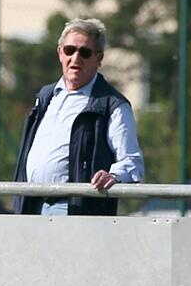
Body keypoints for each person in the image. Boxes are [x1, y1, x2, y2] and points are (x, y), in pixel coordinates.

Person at [13, 17, 144, 216]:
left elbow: (133, 163)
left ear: (99, 58)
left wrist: (113, 176)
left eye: (85, 52)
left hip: (75, 210)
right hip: (31, 206)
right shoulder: (46, 97)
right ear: (60, 53)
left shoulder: (112, 105)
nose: (76, 58)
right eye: (70, 50)